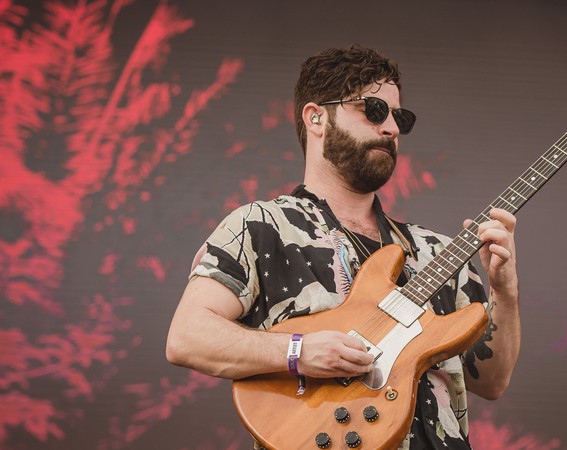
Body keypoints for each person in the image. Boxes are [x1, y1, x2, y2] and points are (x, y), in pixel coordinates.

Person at [165, 44, 521, 450]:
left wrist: (504, 291)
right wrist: (297, 351)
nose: (390, 128)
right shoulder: (262, 226)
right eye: (373, 110)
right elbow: (187, 336)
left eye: (398, 117)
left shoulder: (438, 250)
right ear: (316, 117)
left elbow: (491, 381)